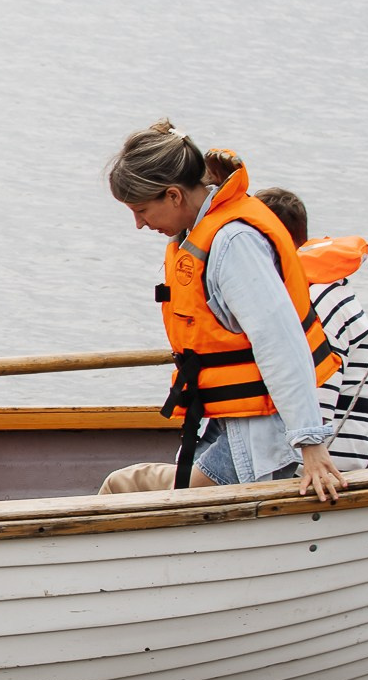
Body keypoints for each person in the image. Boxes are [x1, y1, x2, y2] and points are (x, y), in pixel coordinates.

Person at [97, 121, 344, 502]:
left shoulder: (234, 243)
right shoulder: (199, 233)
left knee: (125, 488)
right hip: (229, 418)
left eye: (142, 210)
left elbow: (280, 342)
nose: (139, 224)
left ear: (175, 196)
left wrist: (311, 444)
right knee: (142, 491)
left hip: (263, 425)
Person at [254, 186, 368, 476]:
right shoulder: (315, 289)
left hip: (322, 464)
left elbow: (320, 389)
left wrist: (305, 458)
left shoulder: (317, 300)